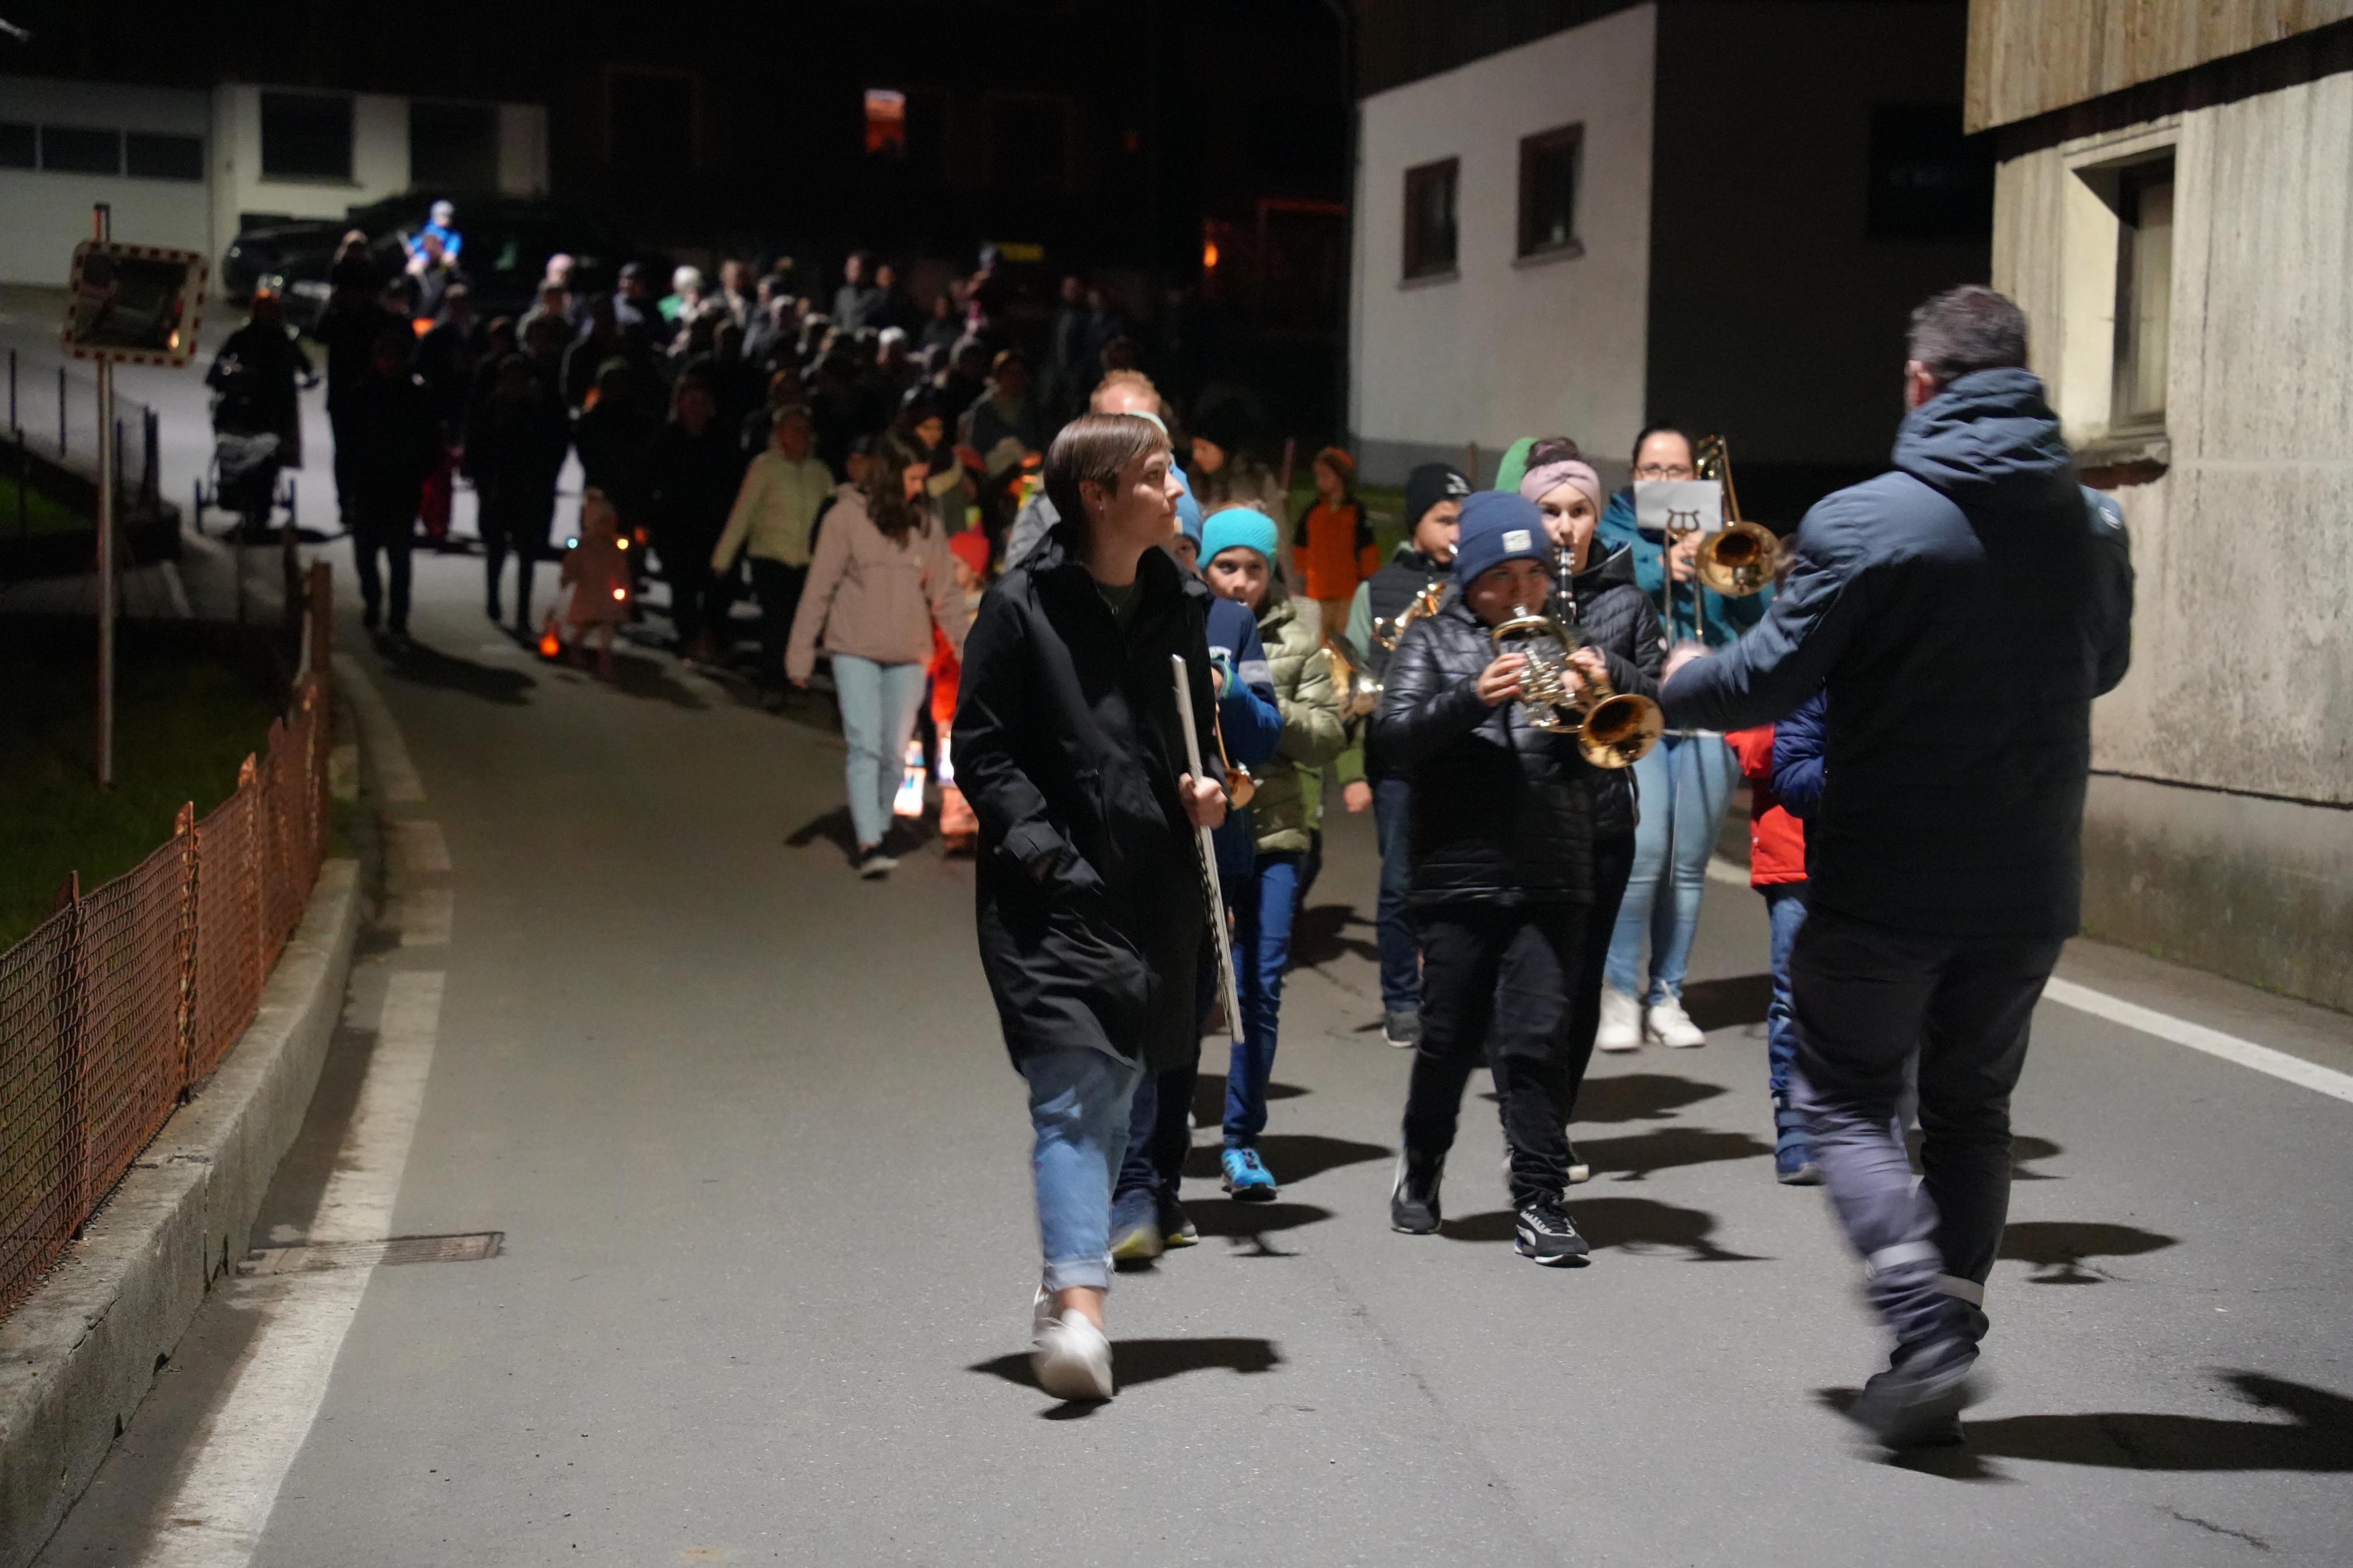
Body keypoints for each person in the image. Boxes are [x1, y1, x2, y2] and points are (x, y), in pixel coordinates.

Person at [1656, 284, 2132, 1445]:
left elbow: (1768, 679)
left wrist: (1673, 682)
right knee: (1972, 1113)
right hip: (2027, 881)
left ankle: (1921, 1326)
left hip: (1885, 879)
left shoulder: (1866, 519)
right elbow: (2104, 666)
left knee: (1843, 1097)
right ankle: (1943, 1340)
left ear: (1921, 383)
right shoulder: (2093, 523)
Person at [952, 413, 1229, 1401]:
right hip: (1051, 900)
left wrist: (1209, 791)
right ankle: (1083, 1315)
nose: (1177, 488)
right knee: (1074, 1093)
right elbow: (981, 750)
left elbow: (1195, 741)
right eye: (1157, 474)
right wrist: (1044, 854)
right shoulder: (1020, 607)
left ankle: (1065, 1277)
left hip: (1155, 893)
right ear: (1099, 496)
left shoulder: (1179, 601)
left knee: (1115, 1095)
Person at [1375, 491, 1614, 1266]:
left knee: (1538, 1039)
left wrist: (1594, 695)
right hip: (1459, 875)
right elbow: (1392, 740)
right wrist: (1471, 695)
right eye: (1502, 577)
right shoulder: (1431, 640)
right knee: (1448, 1040)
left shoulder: (1567, 641)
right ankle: (1422, 1163)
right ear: (1470, 578)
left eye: (1533, 575)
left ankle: (1541, 1201)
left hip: (1554, 871)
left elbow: (1602, 753)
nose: (1521, 591)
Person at [1108, 472, 1283, 1261]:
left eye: (1186, 547)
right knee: (1136, 1015)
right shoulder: (1111, 615)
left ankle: (1162, 1184)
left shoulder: (1231, 622)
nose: (1178, 561)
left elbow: (1265, 733)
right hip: (1131, 842)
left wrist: (1227, 692)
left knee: (1185, 1018)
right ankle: (1130, 1186)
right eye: (1168, 546)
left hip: (1213, 843)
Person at [1595, 424, 1770, 1052]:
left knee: (1686, 867)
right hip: (1636, 712)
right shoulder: (1612, 529)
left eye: (1677, 471)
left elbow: (1759, 615)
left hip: (1707, 714)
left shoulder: (1715, 530)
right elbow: (1600, 597)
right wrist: (1657, 566)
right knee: (1642, 858)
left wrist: (1727, 567)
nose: (1665, 481)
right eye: (1653, 470)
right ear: (1634, 474)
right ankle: (1618, 994)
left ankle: (1668, 995)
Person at [1519, 443, 1662, 1183]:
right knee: (1530, 984)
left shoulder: (1626, 601)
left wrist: (1612, 673)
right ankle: (1528, 1121)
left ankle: (1553, 1128)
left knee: (1578, 986)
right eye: (1550, 512)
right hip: (1527, 815)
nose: (1565, 527)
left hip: (1603, 815)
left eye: (1579, 512)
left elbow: (1657, 697)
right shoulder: (1512, 598)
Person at [1198, 506, 1345, 1200]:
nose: (1240, 582)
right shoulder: (1193, 623)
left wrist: (1260, 704)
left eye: (1254, 569)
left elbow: (1328, 735)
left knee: (1259, 987)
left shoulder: (1299, 634)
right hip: (1204, 829)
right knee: (1194, 984)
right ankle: (1161, 1126)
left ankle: (1240, 1139)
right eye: (1226, 566)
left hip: (1277, 832)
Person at [785, 432, 971, 876]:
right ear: (889, 475)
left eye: (922, 479)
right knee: (865, 745)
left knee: (893, 752)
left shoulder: (926, 527)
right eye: (912, 478)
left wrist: (972, 653)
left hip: (909, 655)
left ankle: (880, 827)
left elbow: (946, 596)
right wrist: (800, 653)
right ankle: (870, 842)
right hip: (854, 650)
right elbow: (820, 587)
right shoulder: (845, 519)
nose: (918, 488)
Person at [1333, 462, 1468, 1048]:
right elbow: (1352, 682)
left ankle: (1451, 994)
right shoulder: (1378, 588)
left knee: (1460, 882)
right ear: (1416, 524)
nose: (1456, 531)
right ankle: (1401, 1000)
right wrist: (1351, 770)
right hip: (1396, 762)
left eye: (1463, 520)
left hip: (1461, 757)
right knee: (1399, 884)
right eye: (1443, 519)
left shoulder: (1475, 581)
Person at [1726, 691, 1823, 1185]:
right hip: (1794, 851)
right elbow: (1751, 746)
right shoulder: (1780, 658)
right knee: (1794, 997)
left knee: (1882, 995)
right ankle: (1795, 1125)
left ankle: (1870, 1126)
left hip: (1879, 849)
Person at [713, 405, 831, 705]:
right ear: (779, 434)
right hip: (770, 556)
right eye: (793, 429)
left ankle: (790, 677)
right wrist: (723, 557)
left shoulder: (820, 473)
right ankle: (771, 682)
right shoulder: (765, 467)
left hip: (807, 561)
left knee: (797, 623)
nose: (800, 435)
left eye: (804, 429)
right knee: (776, 621)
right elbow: (744, 513)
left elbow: (833, 518)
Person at [1001, 369, 1167, 569]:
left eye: (1147, 429)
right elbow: (1021, 579)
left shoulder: (1179, 499)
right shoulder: (1049, 507)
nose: (1134, 442)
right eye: (1117, 428)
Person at [341, 329, 441, 640]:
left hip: (402, 487)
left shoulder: (417, 395)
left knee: (399, 555)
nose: (388, 362)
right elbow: (348, 444)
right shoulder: (362, 394)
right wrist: (351, 482)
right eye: (383, 356)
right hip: (368, 486)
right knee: (365, 554)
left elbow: (431, 443)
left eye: (393, 357)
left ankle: (399, 613)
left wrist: (416, 474)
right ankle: (372, 600)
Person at [462, 355, 572, 635]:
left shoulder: (536, 414)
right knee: (496, 550)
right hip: (497, 490)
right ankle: (493, 597)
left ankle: (523, 612)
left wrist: (542, 483)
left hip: (527, 492)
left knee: (526, 556)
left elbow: (550, 450)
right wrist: (480, 480)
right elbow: (475, 448)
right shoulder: (489, 411)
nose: (515, 385)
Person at [645, 376, 744, 662]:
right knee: (683, 585)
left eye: (702, 401)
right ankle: (688, 637)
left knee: (719, 583)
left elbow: (735, 480)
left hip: (715, 524)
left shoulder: (724, 438)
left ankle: (711, 633)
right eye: (691, 401)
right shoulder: (666, 438)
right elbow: (649, 479)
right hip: (676, 526)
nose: (697, 408)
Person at [1293, 446, 1375, 632]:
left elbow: (1367, 549)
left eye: (1325, 476)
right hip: (1317, 593)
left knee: (1344, 641)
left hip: (1348, 594)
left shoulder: (1356, 513)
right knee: (1318, 641)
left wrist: (1369, 581)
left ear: (1341, 478)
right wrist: (1301, 576)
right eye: (1318, 476)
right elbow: (1300, 547)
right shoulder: (1312, 512)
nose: (1320, 481)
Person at [1186, 401, 1287, 536]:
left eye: (1204, 449)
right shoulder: (1193, 480)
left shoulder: (1257, 479)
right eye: (1194, 447)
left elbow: (1278, 533)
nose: (1196, 456)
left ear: (1225, 450)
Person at [561, 489, 632, 677]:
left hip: (607, 593)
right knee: (585, 625)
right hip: (589, 592)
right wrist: (568, 577)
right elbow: (572, 563)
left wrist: (624, 589)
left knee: (607, 627)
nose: (608, 528)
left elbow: (621, 570)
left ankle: (605, 658)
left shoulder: (614, 546)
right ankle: (575, 649)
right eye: (604, 523)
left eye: (611, 523)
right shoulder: (585, 544)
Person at [831, 252, 880, 333]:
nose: (847, 271)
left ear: (865, 271)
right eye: (848, 267)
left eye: (853, 268)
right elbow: (836, 322)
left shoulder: (879, 297)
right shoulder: (843, 294)